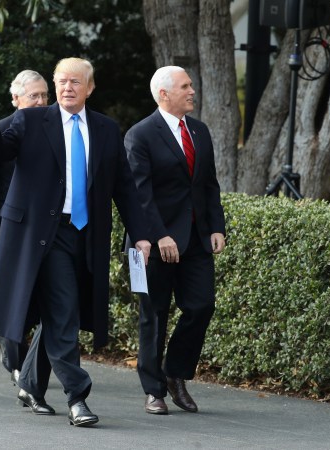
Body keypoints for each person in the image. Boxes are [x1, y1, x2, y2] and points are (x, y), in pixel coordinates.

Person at [0, 57, 151, 427]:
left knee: (64, 313)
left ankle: (30, 383)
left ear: (89, 88)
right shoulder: (30, 120)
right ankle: (77, 396)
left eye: (75, 82)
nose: (67, 88)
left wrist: (141, 235)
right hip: (39, 233)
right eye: (61, 81)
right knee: (64, 312)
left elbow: (125, 187)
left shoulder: (107, 130)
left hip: (86, 234)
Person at [124, 66, 226, 415]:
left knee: (201, 306)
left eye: (191, 85)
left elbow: (208, 184)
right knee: (154, 315)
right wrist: (159, 235)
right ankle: (153, 390)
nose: (192, 91)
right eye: (185, 86)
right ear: (163, 94)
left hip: (196, 239)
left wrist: (217, 226)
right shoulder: (140, 135)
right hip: (152, 244)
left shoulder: (199, 130)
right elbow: (140, 195)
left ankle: (175, 373)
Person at [0, 70, 49, 385]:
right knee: (12, 293)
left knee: (40, 295)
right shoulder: (0, 130)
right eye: (34, 96)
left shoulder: (53, 130)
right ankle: (14, 358)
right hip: (5, 226)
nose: (42, 101)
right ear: (16, 99)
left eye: (45, 95)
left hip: (43, 227)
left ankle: (21, 352)